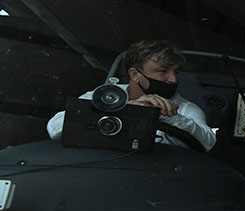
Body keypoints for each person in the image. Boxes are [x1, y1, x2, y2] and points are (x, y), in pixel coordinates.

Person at [47, 39, 216, 152]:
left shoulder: (185, 109)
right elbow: (55, 129)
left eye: (176, 72)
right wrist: (126, 110)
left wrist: (164, 115)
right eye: (163, 71)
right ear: (135, 74)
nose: (173, 79)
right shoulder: (106, 95)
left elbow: (208, 142)